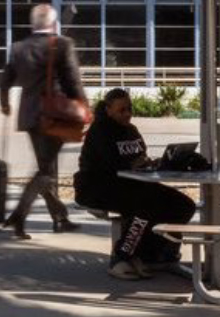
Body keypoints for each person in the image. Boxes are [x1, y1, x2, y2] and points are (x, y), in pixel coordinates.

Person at [74, 88, 194, 280]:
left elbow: (141, 156)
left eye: (129, 109)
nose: (127, 114)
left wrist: (151, 163)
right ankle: (121, 257)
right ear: (108, 110)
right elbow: (111, 163)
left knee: (184, 205)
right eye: (121, 110)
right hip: (98, 186)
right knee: (146, 205)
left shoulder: (131, 130)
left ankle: (153, 255)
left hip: (135, 183)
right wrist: (132, 164)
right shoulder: (99, 131)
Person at [0, 3, 86, 239]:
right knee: (45, 171)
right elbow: (73, 81)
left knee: (46, 167)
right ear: (54, 24)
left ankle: (59, 218)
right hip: (55, 115)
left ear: (32, 24)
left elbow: (5, 81)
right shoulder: (62, 44)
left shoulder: (18, 48)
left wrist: (5, 105)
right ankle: (19, 215)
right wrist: (84, 107)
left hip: (30, 117)